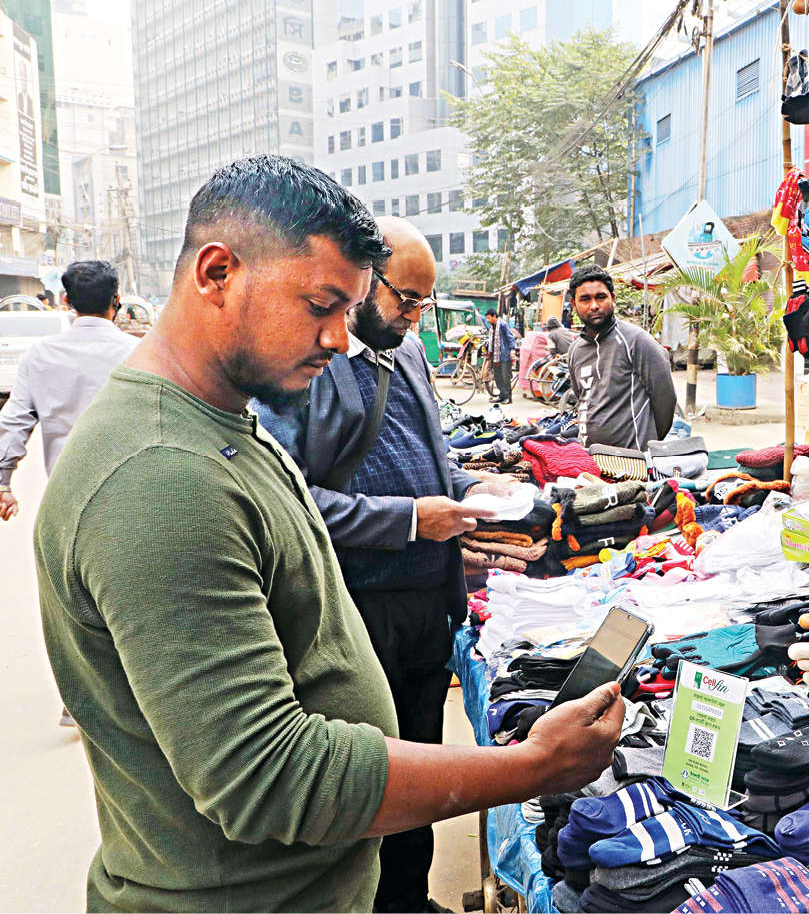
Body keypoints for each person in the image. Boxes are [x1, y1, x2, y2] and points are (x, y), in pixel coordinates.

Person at [35, 155, 623, 913]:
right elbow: (269, 779)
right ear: (217, 273)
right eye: (321, 305)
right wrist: (533, 767)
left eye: (351, 309)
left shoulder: (223, 422)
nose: (343, 340)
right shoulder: (160, 476)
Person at [254, 215, 489, 912]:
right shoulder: (304, 364)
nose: (414, 317)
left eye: (423, 303)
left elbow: (434, 459)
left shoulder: (408, 354)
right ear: (363, 281)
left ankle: (410, 900)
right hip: (356, 612)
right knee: (370, 781)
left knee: (423, 767)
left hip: (428, 604)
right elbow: (291, 501)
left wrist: (474, 491)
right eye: (404, 299)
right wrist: (410, 519)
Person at [0, 260, 138, 728]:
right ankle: (131, 697)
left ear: (65, 301)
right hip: (131, 494)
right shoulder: (137, 354)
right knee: (127, 600)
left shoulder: (40, 356)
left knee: (72, 602)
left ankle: (79, 702)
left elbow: (14, 422)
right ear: (116, 302)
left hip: (66, 501)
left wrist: (3, 481)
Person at [566, 267, 677, 450]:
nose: (594, 305)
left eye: (600, 297)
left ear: (613, 298)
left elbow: (665, 399)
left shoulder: (636, 340)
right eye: (585, 299)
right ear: (574, 303)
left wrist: (647, 442)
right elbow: (582, 399)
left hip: (632, 459)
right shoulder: (575, 350)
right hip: (591, 456)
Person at [485, 306, 515, 403]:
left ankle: (508, 397)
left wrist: (512, 350)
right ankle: (502, 395)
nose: (488, 320)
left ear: (494, 316)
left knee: (505, 377)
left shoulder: (503, 325)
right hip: (495, 356)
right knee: (497, 377)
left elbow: (510, 338)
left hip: (504, 355)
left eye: (489, 318)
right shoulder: (492, 326)